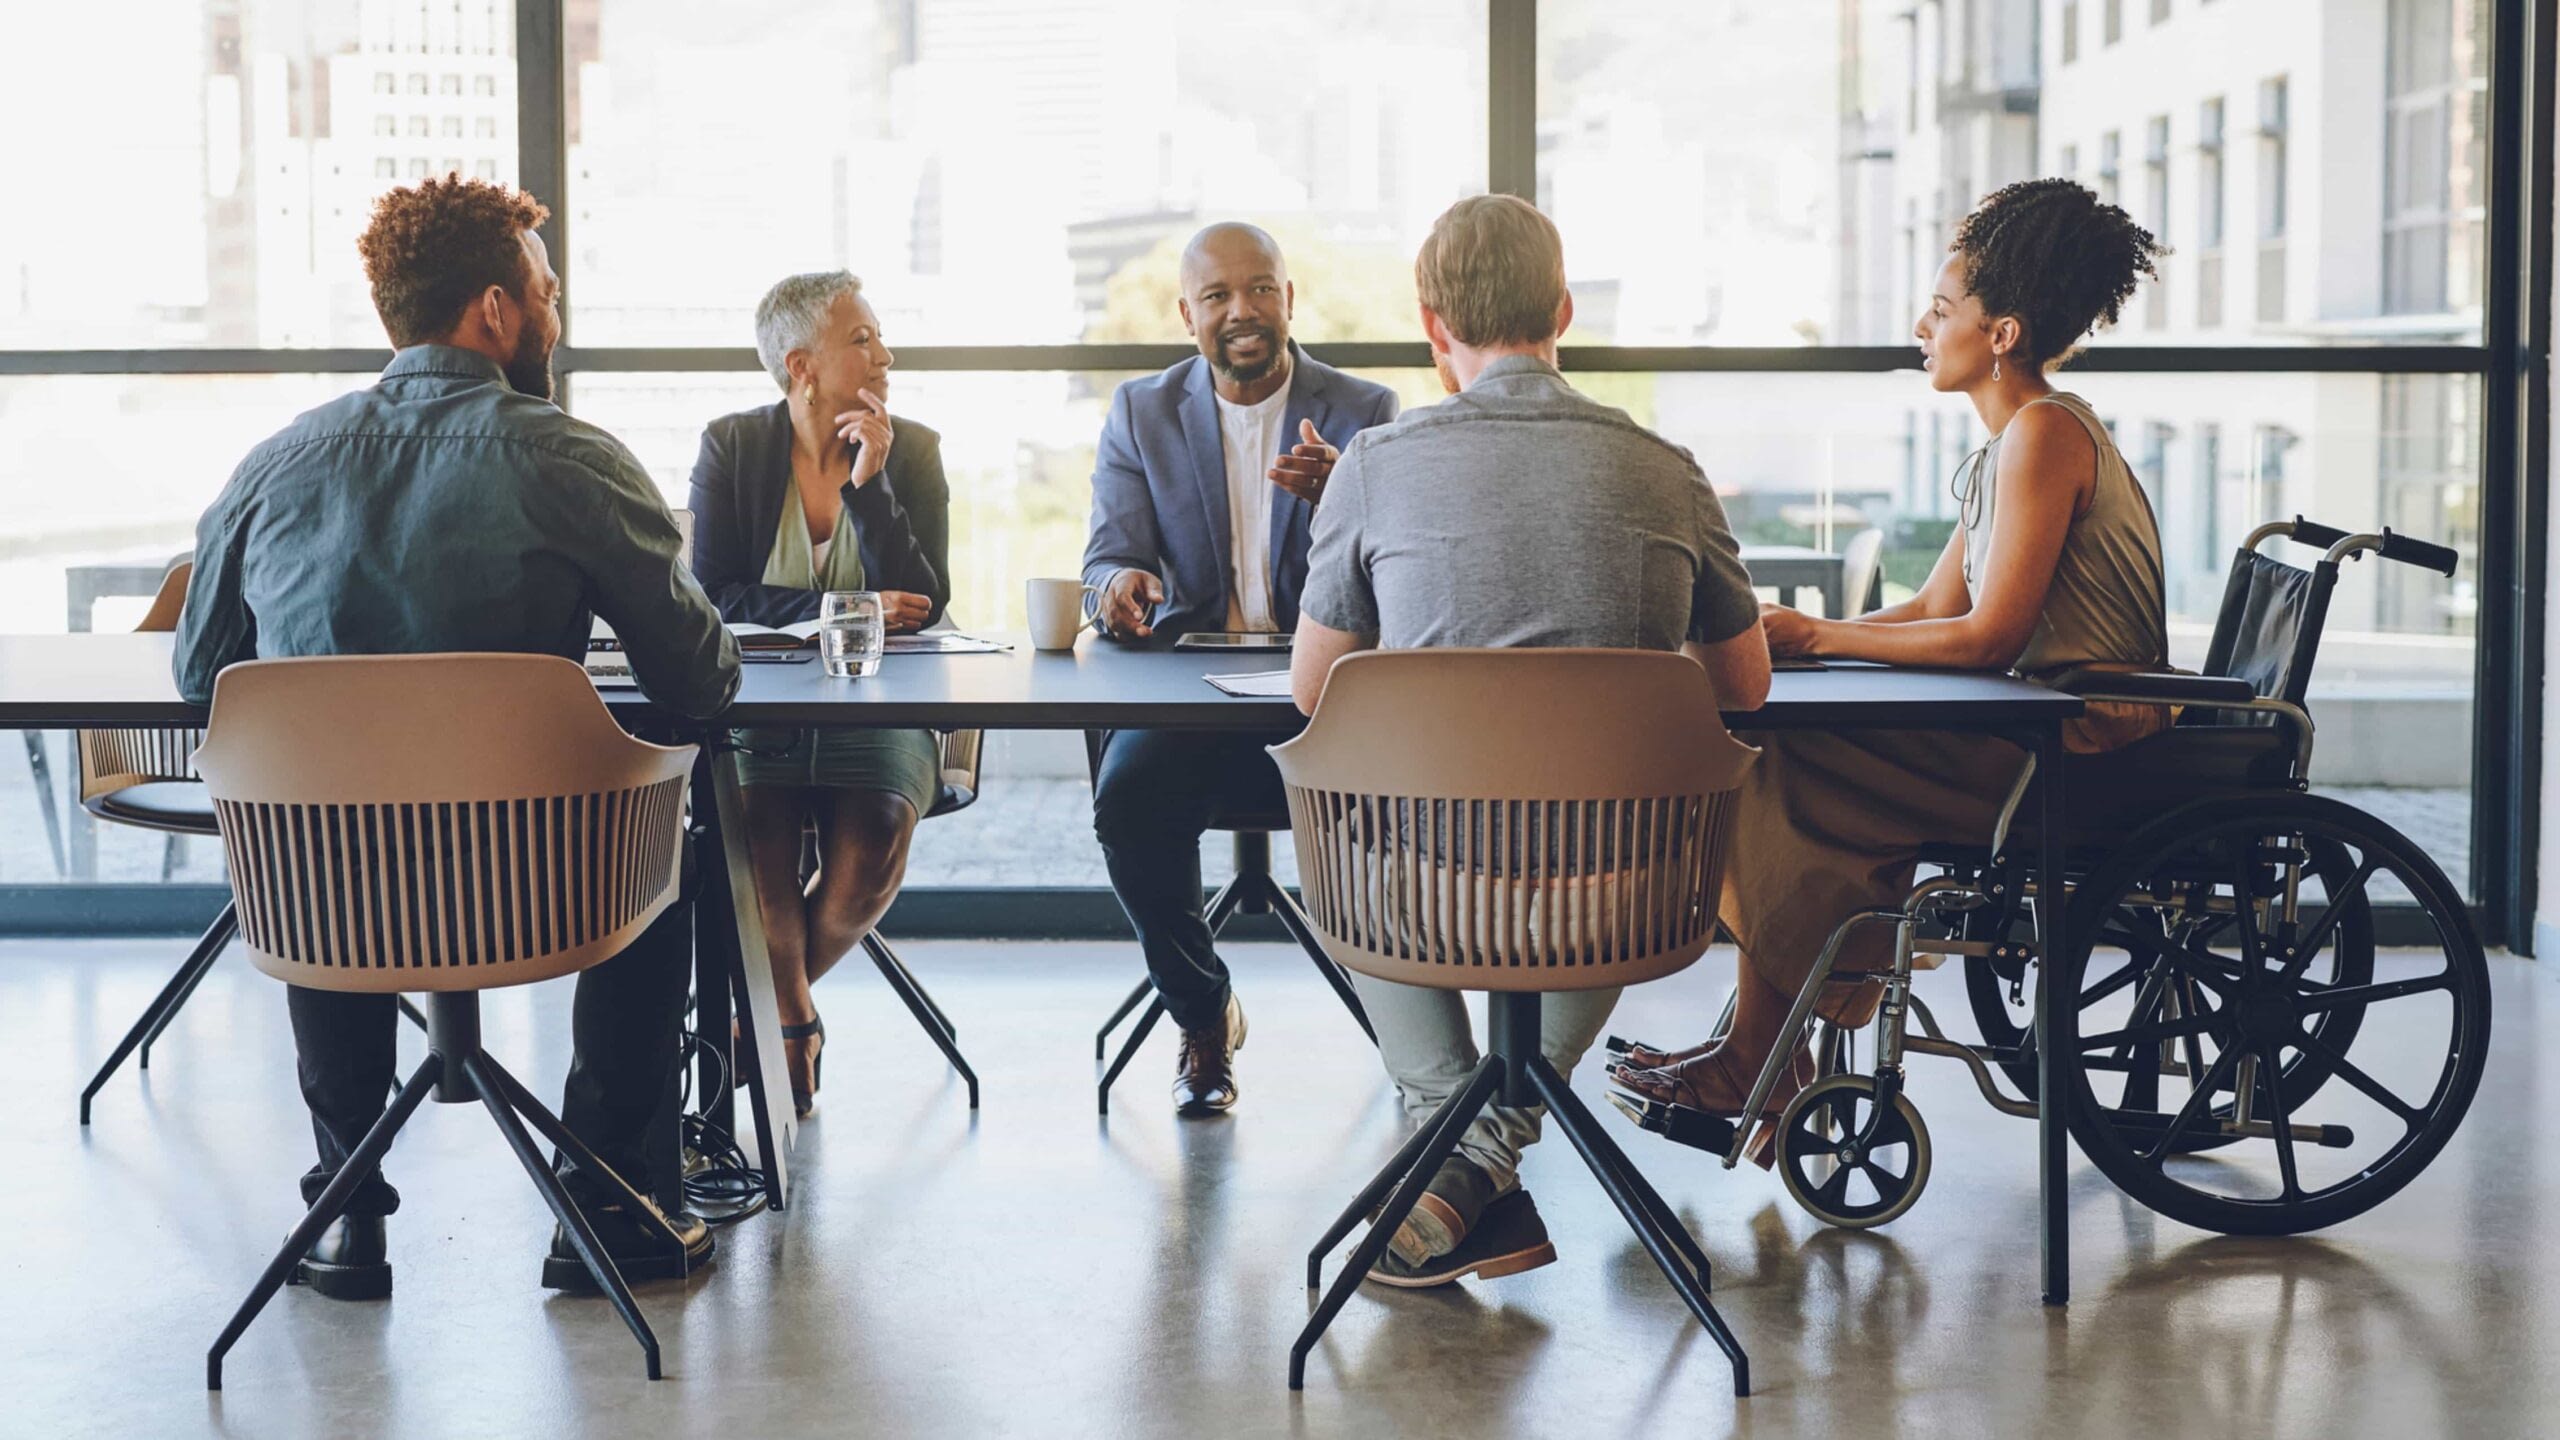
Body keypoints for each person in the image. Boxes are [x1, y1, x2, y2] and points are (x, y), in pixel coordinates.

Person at [175, 175, 739, 1299]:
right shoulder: (571, 460)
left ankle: (343, 1212)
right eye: (547, 291)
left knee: (320, 816)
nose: (556, 314)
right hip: (545, 893)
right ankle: (609, 1209)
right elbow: (701, 680)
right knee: (665, 827)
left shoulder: (272, 466)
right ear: (494, 310)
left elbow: (203, 677)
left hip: (325, 902)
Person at [1610, 177, 2170, 1151]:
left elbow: (1989, 637)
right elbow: (1928, 611)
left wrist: (1821, 639)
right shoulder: (2011, 443)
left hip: (2076, 748)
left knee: (1777, 757)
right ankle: (1765, 1053)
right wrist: (1810, 633)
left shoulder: (2043, 434)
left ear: (2000, 333)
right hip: (2035, 728)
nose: (1923, 323)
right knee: (1779, 741)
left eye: (1944, 308)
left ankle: (1761, 1058)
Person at [1289, 194, 1772, 1287]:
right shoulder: (1667, 467)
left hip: (1417, 895)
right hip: (1625, 896)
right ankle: (1477, 1159)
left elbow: (1315, 689)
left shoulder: (1374, 464)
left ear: (1430, 326)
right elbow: (1743, 683)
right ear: (1561, 310)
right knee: (1623, 818)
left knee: (1339, 796)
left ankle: (1448, 1137)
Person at [1081, 221, 1400, 1115]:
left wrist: (1349, 493)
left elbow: (1410, 571)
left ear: (1290, 300)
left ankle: (1417, 1033)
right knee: (1127, 800)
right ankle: (1203, 1012)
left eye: (1260, 288)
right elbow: (1104, 559)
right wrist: (1120, 585)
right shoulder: (1142, 412)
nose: (1243, 311)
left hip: (1327, 693)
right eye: (1218, 296)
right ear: (1188, 316)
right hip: (1194, 696)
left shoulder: (1365, 412)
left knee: (1409, 795)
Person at [687, 271, 948, 1117]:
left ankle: (750, 1012)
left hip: (881, 710)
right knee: (756, 852)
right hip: (756, 711)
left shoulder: (913, 448)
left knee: (868, 849)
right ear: (801, 365)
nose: (886, 353)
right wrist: (846, 607)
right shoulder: (732, 446)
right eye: (864, 339)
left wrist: (871, 485)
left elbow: (927, 601)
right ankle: (791, 1018)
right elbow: (714, 595)